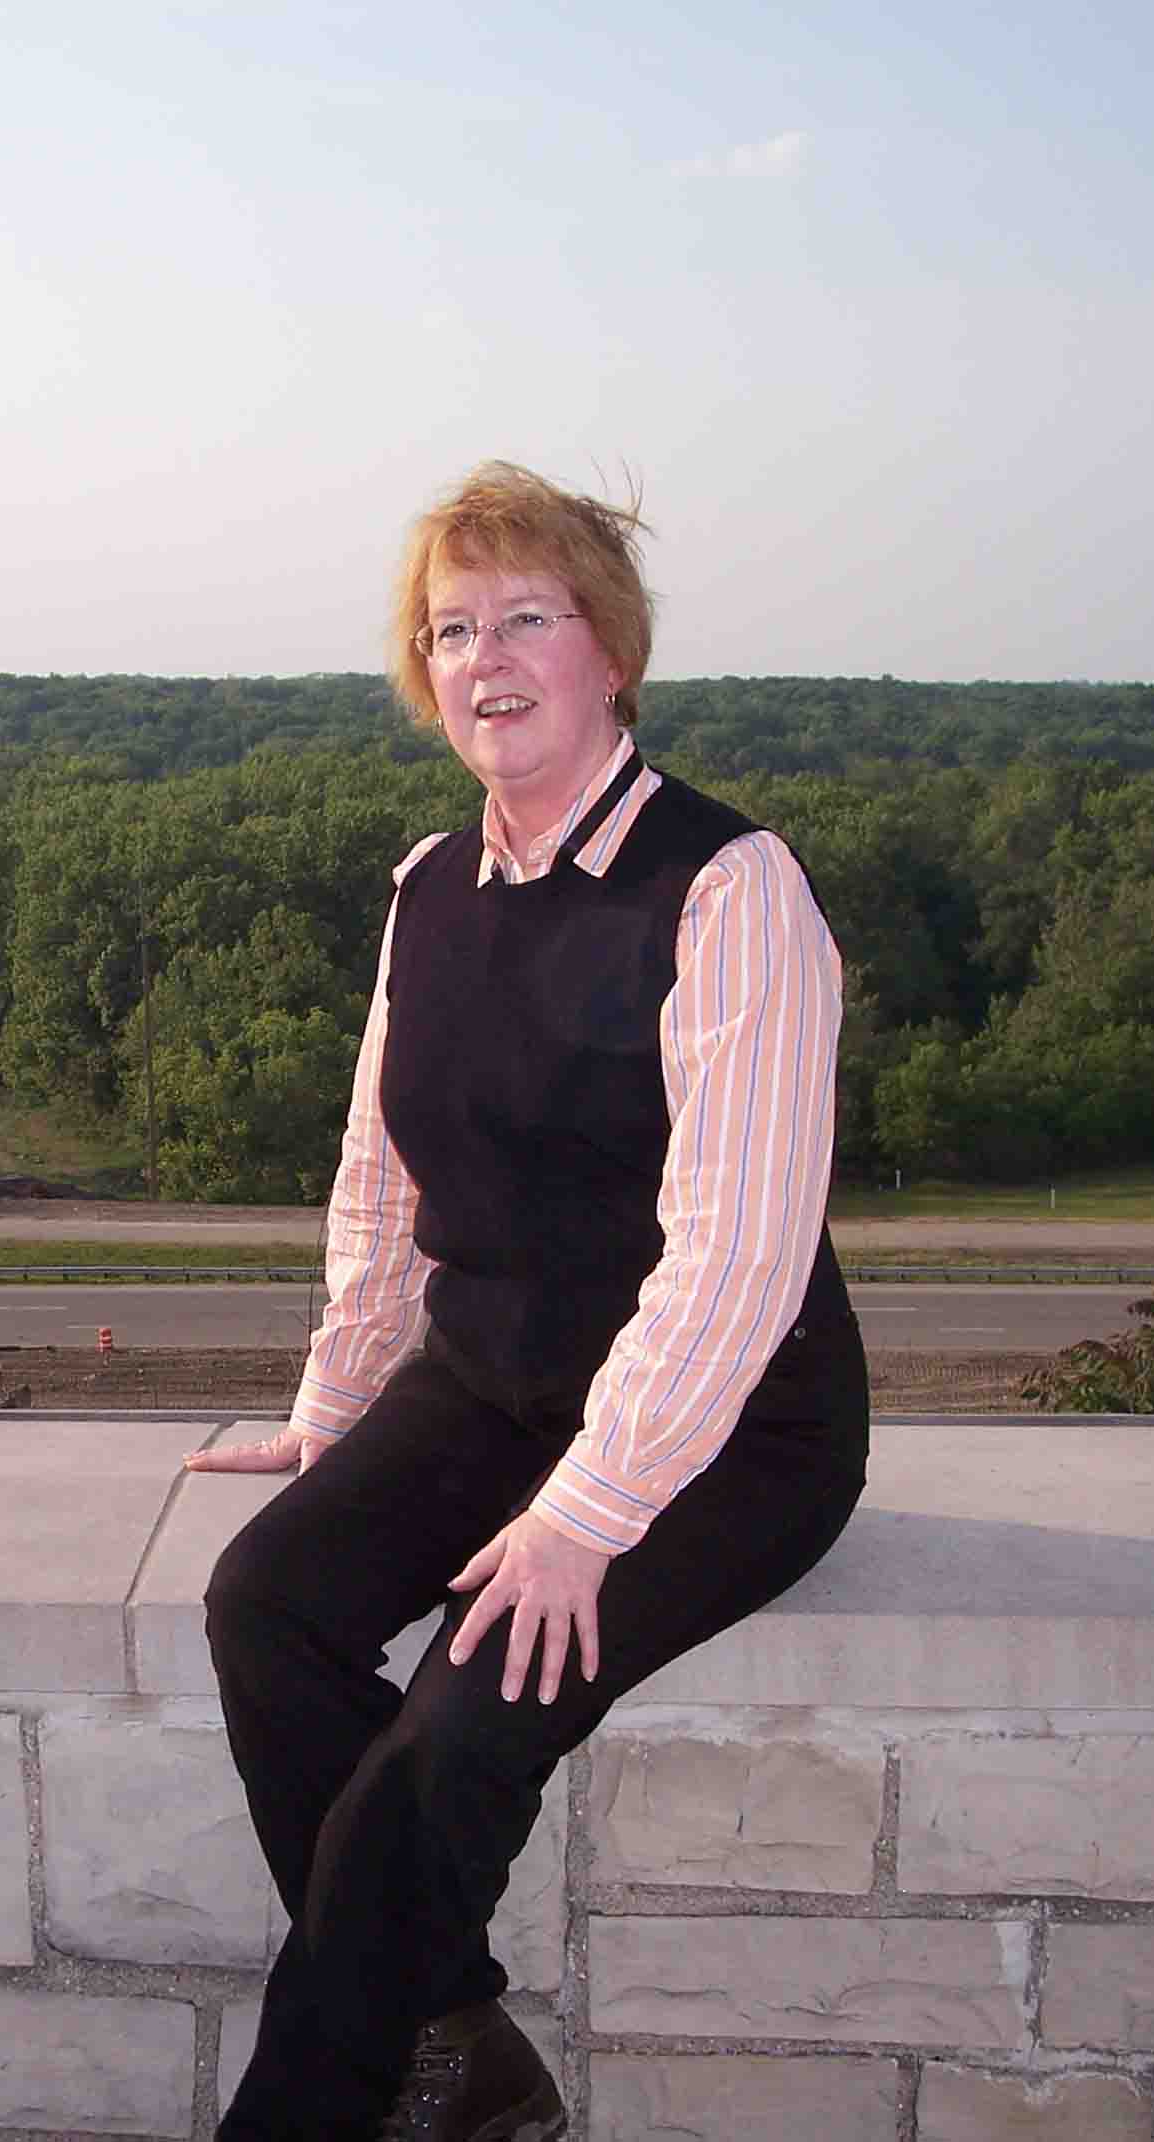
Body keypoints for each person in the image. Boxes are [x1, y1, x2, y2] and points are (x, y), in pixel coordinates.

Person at [187, 462, 870, 2141]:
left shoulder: (727, 889)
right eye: (448, 631)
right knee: (265, 1604)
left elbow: (735, 1257)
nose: (484, 659)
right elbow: (384, 1178)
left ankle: (305, 2114)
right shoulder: (430, 886)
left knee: (464, 1724)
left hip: (724, 1429)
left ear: (609, 650)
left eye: (525, 619)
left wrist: (587, 1515)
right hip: (490, 1382)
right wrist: (334, 1413)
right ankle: (462, 2042)